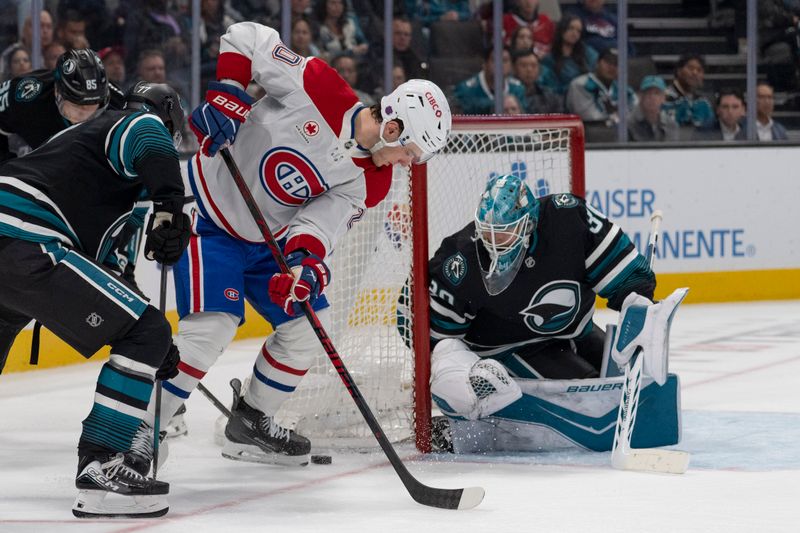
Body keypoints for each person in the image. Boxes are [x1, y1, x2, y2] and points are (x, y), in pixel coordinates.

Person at [158, 21, 452, 466]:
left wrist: (303, 269)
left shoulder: (372, 182)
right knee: (213, 329)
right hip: (209, 212)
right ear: (393, 126)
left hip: (265, 241)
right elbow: (246, 37)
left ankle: (251, 422)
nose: (407, 164)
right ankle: (138, 428)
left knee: (310, 326)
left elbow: (320, 225)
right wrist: (230, 93)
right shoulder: (320, 86)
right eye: (410, 152)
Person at [0, 81, 190, 517]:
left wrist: (155, 348)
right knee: (147, 330)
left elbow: (108, 280)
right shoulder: (130, 121)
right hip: (24, 241)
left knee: (144, 331)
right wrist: (169, 204)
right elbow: (147, 135)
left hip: (13, 240)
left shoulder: (82, 156)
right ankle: (102, 466)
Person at [418, 174, 683, 454]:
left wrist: (639, 306)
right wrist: (460, 374)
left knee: (625, 376)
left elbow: (624, 274)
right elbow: (434, 338)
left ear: (529, 223)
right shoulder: (460, 259)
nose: (495, 240)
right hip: (509, 348)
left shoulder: (568, 219)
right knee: (593, 395)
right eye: (488, 231)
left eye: (506, 230)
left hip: (573, 332)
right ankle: (479, 425)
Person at [0, 49, 113, 162]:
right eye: (76, 106)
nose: (84, 118)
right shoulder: (24, 94)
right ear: (57, 93)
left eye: (92, 106)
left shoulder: (117, 104)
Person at [565, 48, 637, 124]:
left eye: (616, 64)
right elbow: (590, 118)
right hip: (587, 132)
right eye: (608, 62)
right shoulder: (580, 85)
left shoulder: (624, 89)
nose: (612, 67)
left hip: (615, 133)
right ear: (597, 63)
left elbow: (635, 112)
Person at [454, 46, 527, 115]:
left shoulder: (517, 89)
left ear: (511, 65)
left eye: (505, 60)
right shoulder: (466, 90)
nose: (500, 64)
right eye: (495, 60)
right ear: (484, 64)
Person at [539, 14, 598, 96]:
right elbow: (551, 88)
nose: (575, 33)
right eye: (571, 28)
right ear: (562, 29)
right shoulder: (549, 59)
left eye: (578, 31)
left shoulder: (587, 52)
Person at [662, 54, 714, 129]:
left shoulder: (704, 102)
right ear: (679, 71)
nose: (695, 73)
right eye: (690, 68)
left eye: (699, 70)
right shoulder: (664, 97)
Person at [0, 9, 54, 80]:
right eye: (41, 26)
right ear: (25, 30)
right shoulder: (10, 54)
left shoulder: (53, 53)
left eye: (49, 27)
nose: (45, 31)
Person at [628, 75, 680, 142]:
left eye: (657, 93)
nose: (652, 97)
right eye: (648, 93)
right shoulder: (628, 124)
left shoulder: (671, 125)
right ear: (640, 96)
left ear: (663, 98)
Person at [511, 48, 563, 113]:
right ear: (513, 69)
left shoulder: (550, 97)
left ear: (540, 70)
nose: (529, 70)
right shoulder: (507, 94)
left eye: (533, 66)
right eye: (523, 66)